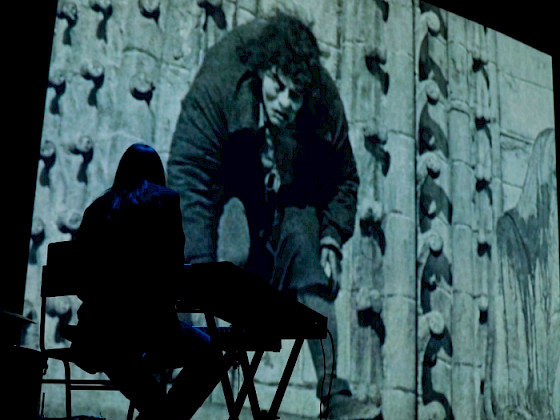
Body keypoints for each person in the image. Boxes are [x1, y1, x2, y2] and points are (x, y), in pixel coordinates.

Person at [168, 13, 377, 418]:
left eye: (295, 96)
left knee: (309, 251)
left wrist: (332, 236)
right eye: (277, 88)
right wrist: (197, 269)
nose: (285, 103)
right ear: (263, 71)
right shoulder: (222, 81)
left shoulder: (323, 100)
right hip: (228, 192)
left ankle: (334, 394)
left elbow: (345, 179)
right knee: (231, 252)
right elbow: (189, 174)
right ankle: (188, 382)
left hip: (287, 200)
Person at [71, 143, 229, 420]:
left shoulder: (96, 209)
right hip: (148, 329)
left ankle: (158, 416)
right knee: (211, 355)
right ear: (158, 173)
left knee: (127, 365)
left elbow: (81, 282)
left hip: (96, 333)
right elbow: (173, 272)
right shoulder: (165, 201)